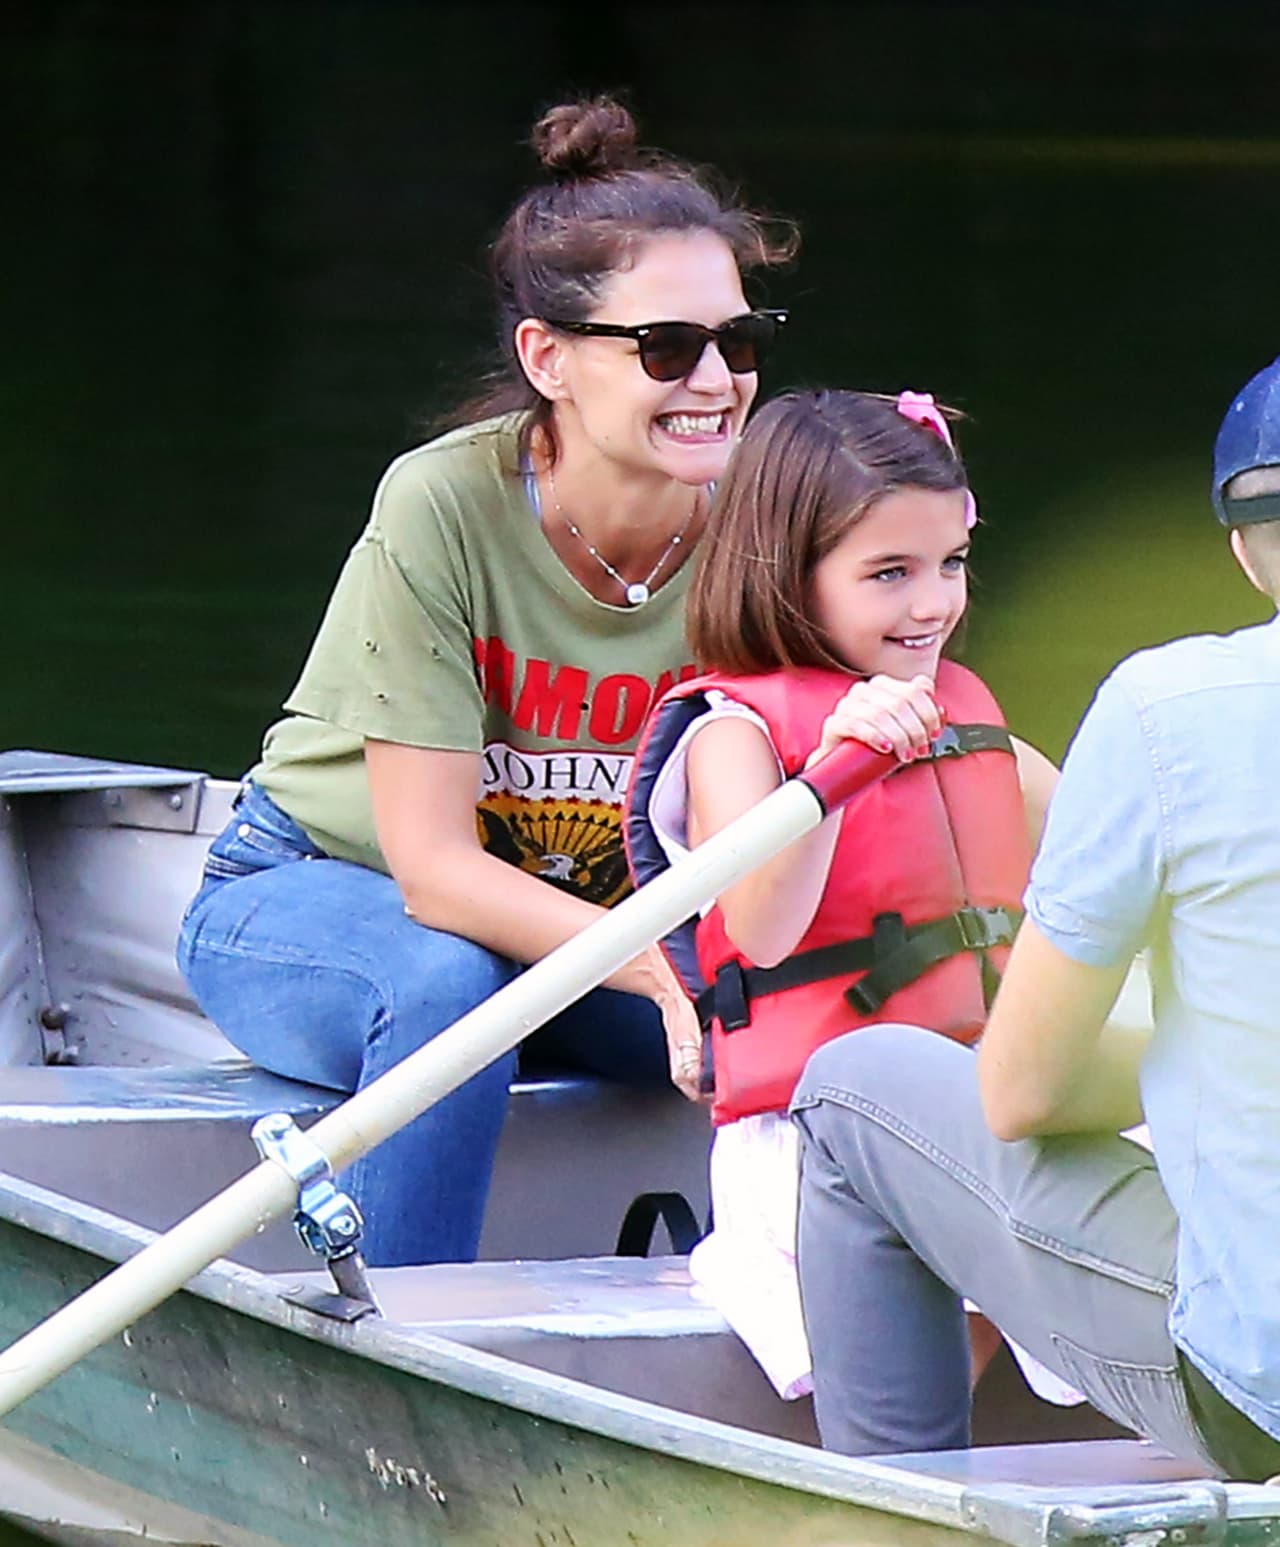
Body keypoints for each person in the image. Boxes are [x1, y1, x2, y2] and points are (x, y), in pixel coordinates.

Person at [176, 96, 796, 1267]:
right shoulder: (442, 503)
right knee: (449, 983)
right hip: (326, 893)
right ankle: (400, 1340)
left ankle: (791, 1329)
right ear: (546, 358)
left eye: (741, 340)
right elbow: (435, 872)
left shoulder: (769, 526)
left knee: (811, 1013)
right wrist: (664, 973)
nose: (715, 379)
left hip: (588, 934)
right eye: (667, 347)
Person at [792, 356, 1280, 1476]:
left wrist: (1207, 1055)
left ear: (1245, 549)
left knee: (846, 1087)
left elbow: (1020, 1092)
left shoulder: (1167, 710)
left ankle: (890, 1522)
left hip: (1262, 1396)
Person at [624, 388, 1058, 1400]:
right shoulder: (734, 735)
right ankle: (912, 1449)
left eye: (950, 562)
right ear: (786, 574)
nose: (933, 603)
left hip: (980, 1100)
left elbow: (1104, 848)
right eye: (889, 573)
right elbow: (764, 930)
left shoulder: (959, 715)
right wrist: (832, 774)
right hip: (818, 1138)